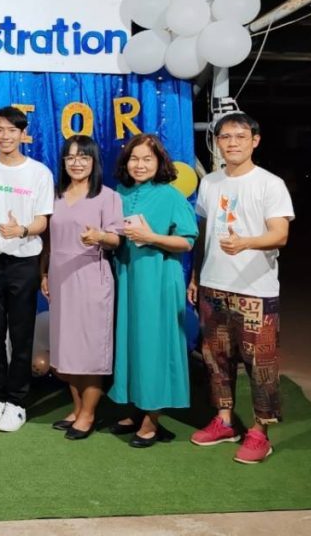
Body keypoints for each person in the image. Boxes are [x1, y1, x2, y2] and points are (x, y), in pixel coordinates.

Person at [188, 112, 293, 464]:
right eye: (225, 137)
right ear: (217, 142)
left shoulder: (270, 184)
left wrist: (246, 242)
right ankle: (224, 421)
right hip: (213, 285)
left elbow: (280, 234)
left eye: (240, 136)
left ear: (255, 141)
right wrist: (196, 275)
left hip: (256, 290)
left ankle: (261, 433)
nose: (232, 143)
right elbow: (205, 233)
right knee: (215, 359)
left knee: (261, 364)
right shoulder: (210, 183)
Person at [0, 106, 53, 433]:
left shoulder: (39, 173)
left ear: (23, 133)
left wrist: (22, 230)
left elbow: (43, 220)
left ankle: (17, 402)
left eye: (12, 130)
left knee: (20, 333)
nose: (5, 136)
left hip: (23, 261)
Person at [108, 133, 197, 448]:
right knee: (132, 342)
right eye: (134, 158)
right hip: (128, 278)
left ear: (160, 162)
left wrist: (152, 237)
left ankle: (152, 418)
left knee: (154, 344)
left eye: (147, 159)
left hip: (158, 280)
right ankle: (136, 407)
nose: (140, 165)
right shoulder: (119, 193)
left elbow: (187, 241)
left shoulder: (171, 196)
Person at [40, 135, 122, 440]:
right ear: (63, 161)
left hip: (91, 277)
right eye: (71, 157)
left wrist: (99, 236)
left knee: (89, 350)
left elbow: (116, 239)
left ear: (94, 161)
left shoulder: (107, 196)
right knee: (67, 349)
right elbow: (48, 241)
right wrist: (44, 273)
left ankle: (88, 414)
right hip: (60, 277)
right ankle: (76, 408)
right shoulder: (54, 196)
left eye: (84, 157)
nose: (77, 163)